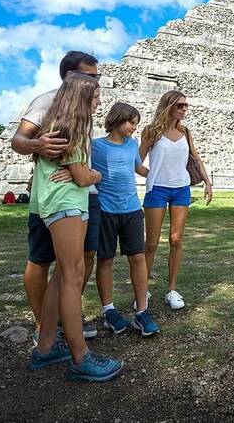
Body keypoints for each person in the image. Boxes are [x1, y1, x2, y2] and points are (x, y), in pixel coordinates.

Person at [28, 73, 122, 381]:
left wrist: (83, 173)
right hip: (65, 204)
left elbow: (76, 172)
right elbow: (83, 177)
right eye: (95, 97)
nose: (99, 102)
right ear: (81, 97)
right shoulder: (70, 127)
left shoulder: (63, 124)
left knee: (61, 277)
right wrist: (94, 174)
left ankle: (45, 349)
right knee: (73, 276)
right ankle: (80, 357)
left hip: (67, 204)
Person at [11, 51, 101, 345]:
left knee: (81, 261)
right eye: (90, 76)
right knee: (42, 261)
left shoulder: (83, 106)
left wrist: (81, 173)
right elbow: (18, 141)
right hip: (56, 197)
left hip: (83, 195)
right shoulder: (48, 102)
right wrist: (37, 144)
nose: (96, 82)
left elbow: (78, 160)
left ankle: (62, 319)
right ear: (70, 76)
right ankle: (45, 326)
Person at [139, 91, 212, 311]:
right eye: (180, 105)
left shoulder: (186, 132)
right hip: (157, 190)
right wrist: (151, 175)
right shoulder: (151, 132)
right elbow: (136, 161)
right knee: (151, 244)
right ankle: (143, 291)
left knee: (176, 240)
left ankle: (172, 289)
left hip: (181, 189)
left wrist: (207, 183)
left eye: (185, 105)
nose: (184, 109)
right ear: (169, 105)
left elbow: (196, 159)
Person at [92, 102, 159, 337]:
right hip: (105, 210)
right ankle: (109, 310)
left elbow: (138, 168)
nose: (133, 127)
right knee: (105, 260)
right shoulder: (95, 146)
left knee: (138, 259)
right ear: (117, 119)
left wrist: (163, 178)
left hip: (131, 209)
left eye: (136, 123)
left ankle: (142, 312)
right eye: (131, 122)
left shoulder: (132, 145)